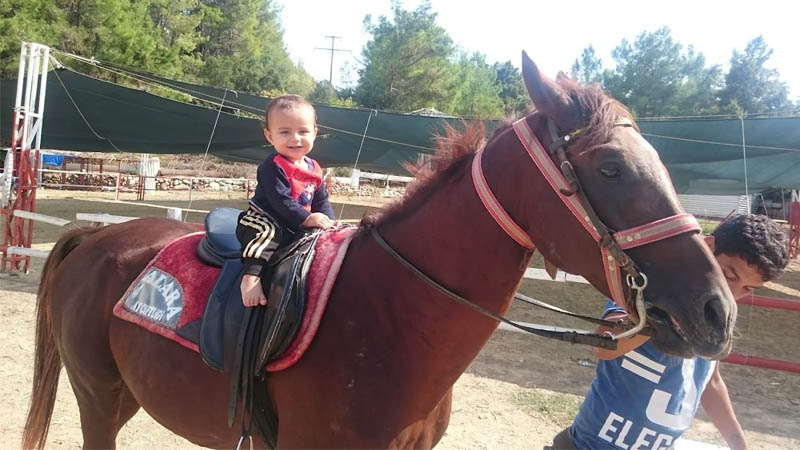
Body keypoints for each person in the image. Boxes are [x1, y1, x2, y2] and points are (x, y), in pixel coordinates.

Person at [550, 214, 788, 450]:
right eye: (728, 275)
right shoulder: (650, 290)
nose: (732, 292)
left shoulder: (717, 315)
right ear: (705, 247)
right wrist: (660, 315)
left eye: (748, 288)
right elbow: (602, 346)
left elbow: (710, 381)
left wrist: (738, 443)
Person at [237, 94, 335, 307]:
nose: (295, 139)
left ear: (315, 133)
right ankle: (250, 278)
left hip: (295, 221)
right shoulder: (273, 166)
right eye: (285, 132)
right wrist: (307, 218)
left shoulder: (314, 167)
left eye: (303, 131)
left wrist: (330, 223)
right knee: (269, 234)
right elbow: (280, 200)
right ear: (269, 136)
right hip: (265, 217)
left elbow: (321, 199)